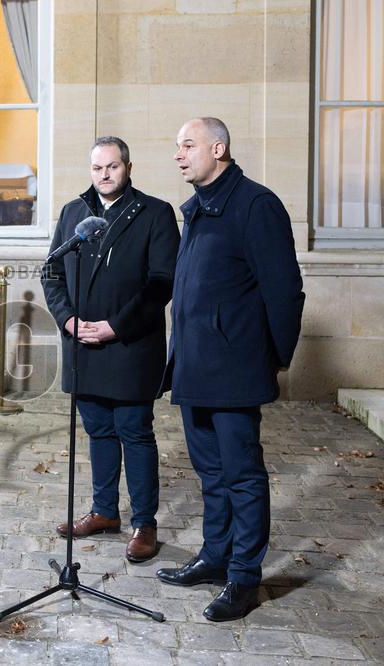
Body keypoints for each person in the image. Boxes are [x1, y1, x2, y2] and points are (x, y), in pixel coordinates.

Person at [155, 117, 304, 622]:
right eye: (177, 147)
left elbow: (285, 292)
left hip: (234, 370)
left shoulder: (256, 205)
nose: (179, 155)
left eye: (188, 145)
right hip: (195, 367)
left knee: (241, 476)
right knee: (211, 474)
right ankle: (215, 558)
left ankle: (244, 577)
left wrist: (275, 359)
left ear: (218, 148)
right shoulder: (198, 210)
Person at [42, 136, 180, 564]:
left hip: (131, 345)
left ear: (128, 167)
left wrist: (114, 327)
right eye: (98, 168)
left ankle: (145, 523)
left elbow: (162, 283)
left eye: (113, 167)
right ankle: (104, 511)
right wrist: (68, 320)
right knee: (98, 430)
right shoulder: (72, 213)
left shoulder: (155, 213)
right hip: (82, 344)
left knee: (135, 432)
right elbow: (52, 273)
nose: (105, 175)